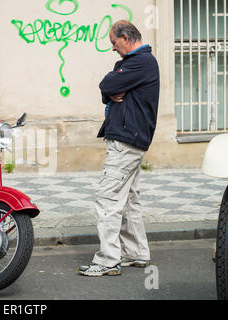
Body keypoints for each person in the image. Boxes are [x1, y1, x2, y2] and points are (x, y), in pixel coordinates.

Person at [78, 20, 160, 277]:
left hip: (126, 140)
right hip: (132, 139)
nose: (113, 48)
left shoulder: (141, 62)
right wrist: (112, 90)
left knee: (108, 198)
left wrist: (112, 89)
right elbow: (111, 86)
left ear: (126, 38)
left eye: (114, 43)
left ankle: (108, 259)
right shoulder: (137, 63)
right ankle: (135, 253)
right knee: (128, 200)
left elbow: (107, 84)